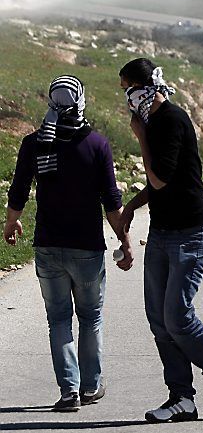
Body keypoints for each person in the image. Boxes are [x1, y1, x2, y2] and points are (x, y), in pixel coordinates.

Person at [4, 75, 133, 412]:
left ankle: (69, 392)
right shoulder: (96, 144)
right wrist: (125, 240)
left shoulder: (35, 142)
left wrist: (11, 220)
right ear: (81, 101)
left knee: (58, 320)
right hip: (87, 248)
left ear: (51, 102)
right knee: (90, 318)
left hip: (48, 247)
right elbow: (111, 200)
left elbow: (18, 191)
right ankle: (91, 387)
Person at [118, 58, 203, 422]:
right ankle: (181, 398)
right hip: (162, 232)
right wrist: (132, 208)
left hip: (190, 233)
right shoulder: (154, 123)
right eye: (124, 91)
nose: (127, 97)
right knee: (158, 320)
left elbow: (159, 180)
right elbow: (155, 189)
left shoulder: (170, 121)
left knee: (177, 316)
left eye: (130, 89)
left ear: (148, 86)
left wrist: (140, 140)